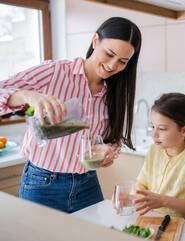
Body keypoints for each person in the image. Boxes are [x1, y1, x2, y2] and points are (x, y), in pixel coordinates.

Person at [0, 17, 142, 213]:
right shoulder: (54, 72)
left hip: (87, 184)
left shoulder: (114, 92)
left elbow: (111, 140)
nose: (112, 65)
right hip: (42, 184)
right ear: (95, 41)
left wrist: (107, 150)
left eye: (122, 61)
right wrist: (27, 95)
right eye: (109, 54)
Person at [133, 93, 185, 221]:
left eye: (161, 128)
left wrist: (163, 201)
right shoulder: (154, 150)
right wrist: (132, 198)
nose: (154, 134)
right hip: (149, 221)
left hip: (179, 228)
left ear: (184, 130)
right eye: (152, 126)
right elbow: (142, 183)